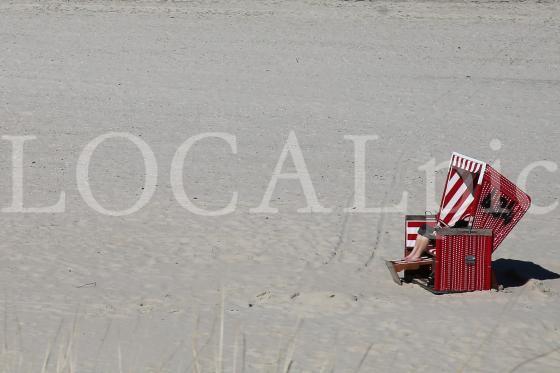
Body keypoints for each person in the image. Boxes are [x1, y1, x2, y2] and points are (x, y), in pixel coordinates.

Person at [403, 218, 470, 262]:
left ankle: (417, 255)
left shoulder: (468, 219)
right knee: (424, 227)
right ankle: (412, 254)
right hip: (451, 231)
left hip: (451, 236)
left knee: (428, 231)